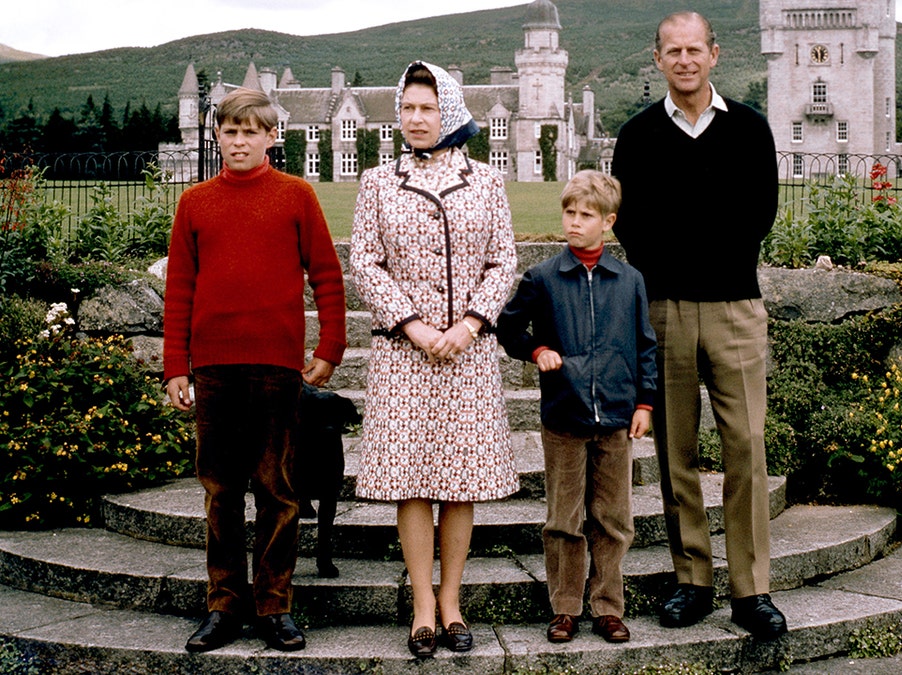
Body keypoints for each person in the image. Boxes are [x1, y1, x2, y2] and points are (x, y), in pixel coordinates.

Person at [610, 11, 787, 641]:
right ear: (656, 58)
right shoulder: (636, 136)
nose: (684, 60)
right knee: (675, 450)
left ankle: (751, 589)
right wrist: (674, 260)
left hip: (736, 305)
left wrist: (701, 247)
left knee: (745, 446)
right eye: (672, 51)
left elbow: (759, 210)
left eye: (695, 50)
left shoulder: (750, 129)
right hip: (664, 309)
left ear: (714, 54)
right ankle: (693, 581)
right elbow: (630, 223)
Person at [163, 87, 347, 653]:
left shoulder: (296, 196)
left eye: (251, 131)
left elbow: (327, 276)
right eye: (230, 130)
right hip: (214, 367)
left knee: (278, 490)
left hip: (276, 366)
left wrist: (331, 348)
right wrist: (176, 366)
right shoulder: (195, 202)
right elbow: (179, 290)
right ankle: (224, 605)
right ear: (217, 135)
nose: (239, 141)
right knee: (221, 492)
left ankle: (274, 606)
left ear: (272, 136)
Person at [349, 60, 520, 660]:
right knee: (412, 482)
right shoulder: (377, 182)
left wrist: (472, 322)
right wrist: (415, 326)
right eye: (407, 108)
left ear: (448, 110)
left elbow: (504, 261)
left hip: (468, 355)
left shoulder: (487, 181)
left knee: (462, 480)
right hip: (404, 354)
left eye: (426, 108)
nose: (415, 119)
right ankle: (422, 605)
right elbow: (365, 262)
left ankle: (452, 601)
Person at [496, 170, 657, 645]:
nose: (574, 222)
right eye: (569, 213)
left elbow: (645, 346)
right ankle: (564, 607)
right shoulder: (544, 277)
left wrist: (644, 403)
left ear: (607, 222)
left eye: (586, 215)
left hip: (616, 419)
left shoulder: (629, 281)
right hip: (563, 418)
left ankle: (607, 606)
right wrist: (536, 350)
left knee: (613, 519)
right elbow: (508, 328)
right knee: (563, 519)